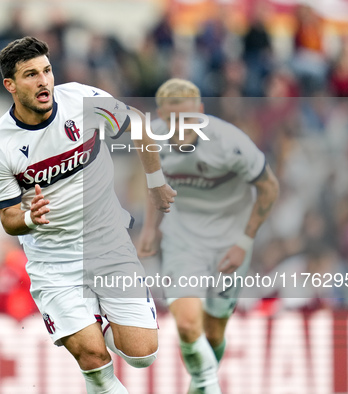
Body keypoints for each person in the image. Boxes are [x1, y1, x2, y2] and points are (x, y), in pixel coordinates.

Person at [0, 36, 176, 394]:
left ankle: (98, 319)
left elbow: (136, 123)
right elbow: (8, 216)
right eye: (30, 75)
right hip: (54, 260)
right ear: (10, 85)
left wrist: (156, 182)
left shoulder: (82, 102)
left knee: (142, 355)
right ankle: (88, 328)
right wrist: (27, 219)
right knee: (93, 359)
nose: (43, 81)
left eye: (47, 70)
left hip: (109, 242)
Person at [138, 79, 280, 393]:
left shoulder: (229, 142)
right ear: (161, 115)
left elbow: (269, 187)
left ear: (201, 112)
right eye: (172, 119)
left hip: (230, 243)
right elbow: (154, 185)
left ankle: (198, 386)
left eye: (188, 118)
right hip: (182, 239)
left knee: (213, 333)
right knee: (188, 324)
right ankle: (207, 383)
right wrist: (150, 228)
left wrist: (245, 241)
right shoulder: (152, 141)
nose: (181, 127)